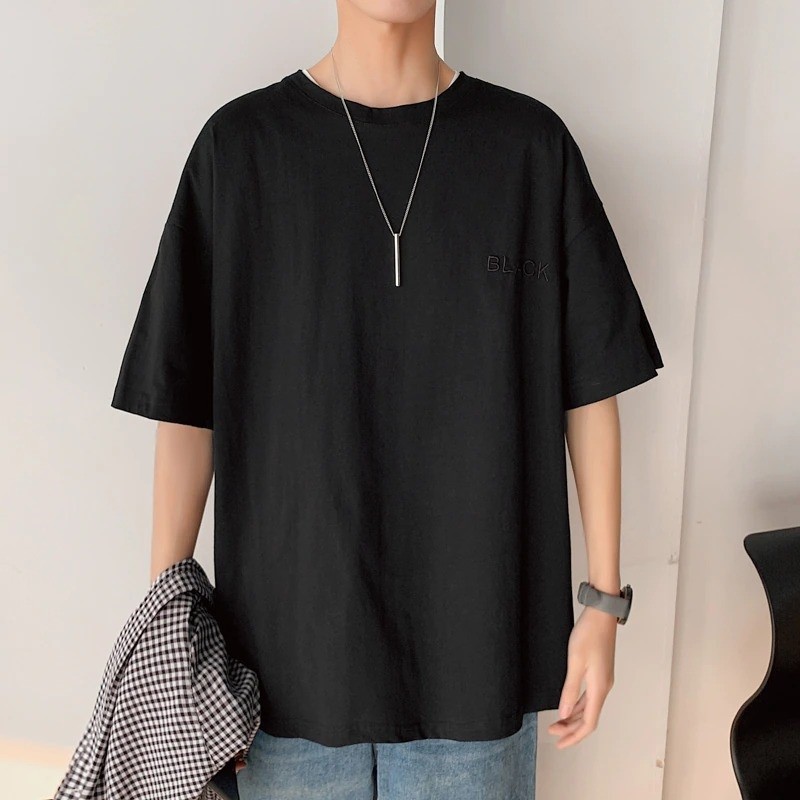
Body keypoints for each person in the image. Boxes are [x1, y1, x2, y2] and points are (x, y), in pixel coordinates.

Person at [110, 1, 664, 797]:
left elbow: (590, 383)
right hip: (283, 666)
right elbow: (186, 404)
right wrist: (170, 642)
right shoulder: (240, 150)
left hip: (478, 656)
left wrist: (604, 605)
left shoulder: (528, 149)